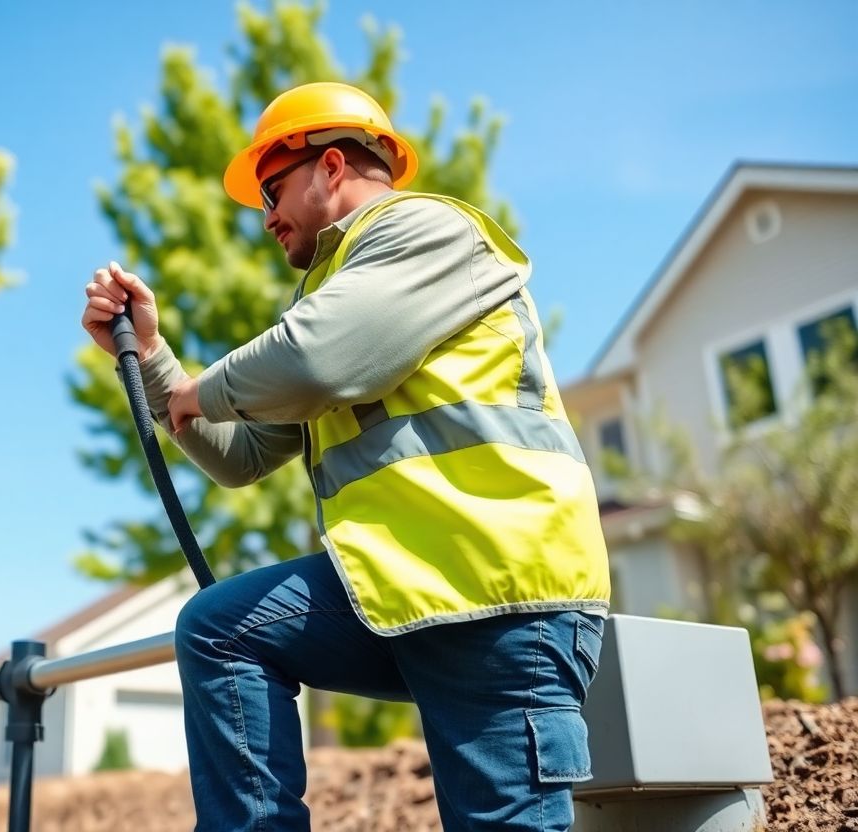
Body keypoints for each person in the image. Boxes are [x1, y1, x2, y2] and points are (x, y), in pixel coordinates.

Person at [81, 81, 611, 831]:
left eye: (272, 190)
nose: (265, 217)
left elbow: (319, 360)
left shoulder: (426, 232)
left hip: (499, 586)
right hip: (409, 588)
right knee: (222, 629)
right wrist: (155, 359)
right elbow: (241, 456)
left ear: (331, 167)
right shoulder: (339, 293)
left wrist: (200, 389)